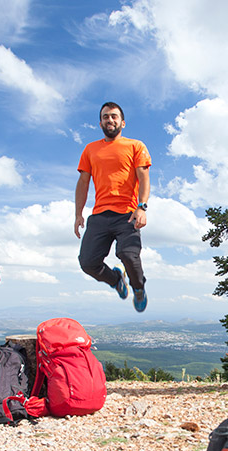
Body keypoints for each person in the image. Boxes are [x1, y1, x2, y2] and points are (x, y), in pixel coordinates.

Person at [74, 102, 151, 312]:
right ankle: (116, 280)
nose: (110, 120)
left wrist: (142, 207)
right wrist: (78, 214)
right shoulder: (90, 149)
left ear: (122, 122)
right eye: (106, 117)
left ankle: (138, 288)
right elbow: (83, 182)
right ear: (100, 123)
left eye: (114, 116)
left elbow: (144, 178)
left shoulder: (135, 146)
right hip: (100, 215)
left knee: (128, 254)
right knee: (88, 263)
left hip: (127, 213)